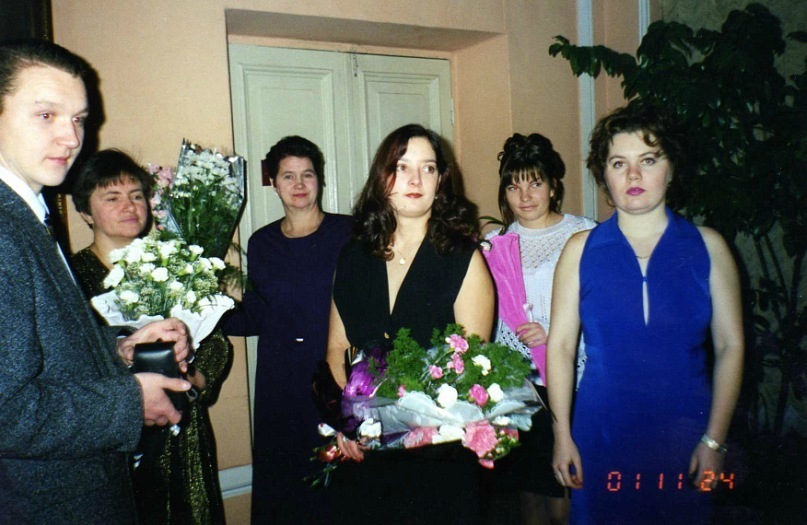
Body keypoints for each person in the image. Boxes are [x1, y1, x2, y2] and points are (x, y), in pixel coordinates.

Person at [0, 40, 191, 525]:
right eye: (46, 115)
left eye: (79, 119)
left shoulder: (26, 215)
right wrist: (129, 401)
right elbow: (7, 411)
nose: (71, 138)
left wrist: (121, 347)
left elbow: (44, 350)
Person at [547, 102, 744, 524]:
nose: (633, 175)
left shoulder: (709, 247)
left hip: (687, 434)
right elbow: (560, 347)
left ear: (671, 169)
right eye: (619, 163)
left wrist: (715, 440)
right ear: (604, 175)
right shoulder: (580, 250)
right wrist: (562, 435)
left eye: (648, 160)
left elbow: (731, 346)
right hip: (600, 434)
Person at [326, 123, 495, 524]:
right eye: (402, 167)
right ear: (382, 177)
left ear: (441, 180)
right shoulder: (353, 257)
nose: (415, 180)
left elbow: (472, 366)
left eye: (428, 168)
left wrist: (407, 424)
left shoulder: (463, 258)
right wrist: (346, 423)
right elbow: (336, 348)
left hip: (437, 453)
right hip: (365, 449)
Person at [70, 149, 230, 525]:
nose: (129, 206)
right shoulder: (73, 278)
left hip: (185, 435)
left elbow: (217, 342)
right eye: (112, 197)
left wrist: (195, 378)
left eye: (137, 195)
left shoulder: (173, 263)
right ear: (85, 212)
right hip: (123, 437)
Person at [221, 136, 352, 524]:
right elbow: (256, 317)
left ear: (320, 179)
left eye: (307, 174)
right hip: (279, 384)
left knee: (338, 486)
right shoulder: (262, 243)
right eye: (288, 176)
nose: (298, 184)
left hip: (334, 376)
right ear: (274, 183)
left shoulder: (349, 233)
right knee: (286, 489)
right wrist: (209, 305)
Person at [485, 133, 596, 525]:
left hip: (569, 379)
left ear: (553, 186)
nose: (525, 195)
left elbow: (602, 307)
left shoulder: (583, 234)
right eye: (513, 186)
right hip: (517, 385)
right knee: (528, 491)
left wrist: (555, 332)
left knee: (565, 488)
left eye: (535, 183)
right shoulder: (495, 242)